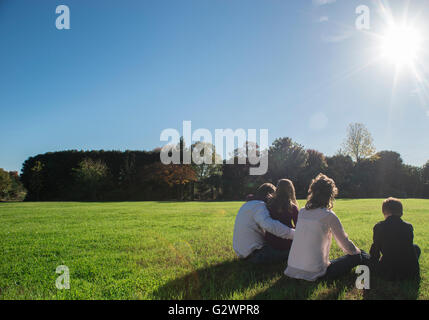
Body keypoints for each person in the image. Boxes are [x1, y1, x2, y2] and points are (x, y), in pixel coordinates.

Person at [285, 174, 368, 281]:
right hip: (316, 273)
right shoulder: (329, 216)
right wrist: (358, 253)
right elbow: (346, 245)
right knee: (358, 255)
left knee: (359, 253)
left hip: (292, 268)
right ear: (330, 195)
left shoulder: (302, 212)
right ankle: (374, 263)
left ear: (313, 192)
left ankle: (370, 259)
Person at [233, 183, 295, 264]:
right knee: (293, 251)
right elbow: (271, 226)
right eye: (274, 197)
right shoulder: (259, 206)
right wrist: (295, 234)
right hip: (256, 255)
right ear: (269, 196)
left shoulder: (248, 205)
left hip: (243, 253)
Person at [369, 197, 420, 281]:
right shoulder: (408, 226)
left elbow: (375, 250)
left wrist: (372, 264)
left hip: (389, 272)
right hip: (410, 272)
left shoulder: (379, 227)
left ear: (383, 212)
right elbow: (407, 247)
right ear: (401, 212)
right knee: (416, 247)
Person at [265, 179, 299, 253]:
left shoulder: (269, 204)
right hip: (286, 244)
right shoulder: (293, 207)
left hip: (269, 243)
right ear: (291, 190)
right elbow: (299, 227)